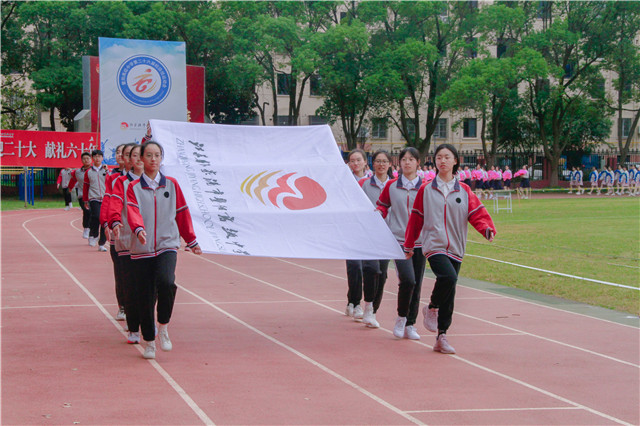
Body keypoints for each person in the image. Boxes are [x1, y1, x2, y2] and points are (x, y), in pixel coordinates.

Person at [404, 144, 496, 354]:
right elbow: (416, 219)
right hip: (434, 244)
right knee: (448, 278)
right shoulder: (426, 189)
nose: (442, 161)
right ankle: (432, 307)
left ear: (455, 161)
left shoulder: (463, 190)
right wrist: (409, 245)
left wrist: (487, 229)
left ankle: (442, 336)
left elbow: (476, 214)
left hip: (456, 245)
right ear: (434, 162)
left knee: (451, 290)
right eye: (439, 157)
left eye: (447, 157)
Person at [123, 141, 202, 360]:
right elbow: (132, 211)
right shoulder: (133, 188)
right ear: (141, 159)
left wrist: (191, 240)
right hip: (142, 249)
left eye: (157, 155)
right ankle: (149, 341)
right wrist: (138, 229)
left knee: (167, 282)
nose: (153, 159)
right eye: (148, 155)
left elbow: (182, 213)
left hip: (167, 244)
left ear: (161, 158)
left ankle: (163, 326)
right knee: (145, 296)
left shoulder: (172, 185)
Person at [376, 147, 424, 341]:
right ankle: (401, 317)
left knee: (418, 284)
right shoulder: (391, 186)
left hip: (420, 241)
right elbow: (382, 204)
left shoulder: (426, 187)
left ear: (418, 163)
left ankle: (411, 324)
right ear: (399, 163)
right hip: (399, 240)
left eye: (411, 159)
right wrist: (380, 212)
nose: (407, 162)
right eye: (404, 159)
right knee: (408, 279)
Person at [110, 144, 144, 344]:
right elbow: (113, 205)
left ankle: (147, 320)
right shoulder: (120, 182)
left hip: (150, 242)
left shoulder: (159, 183)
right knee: (130, 284)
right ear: (128, 159)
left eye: (143, 154)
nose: (139, 158)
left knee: (151, 285)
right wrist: (113, 222)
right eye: (134, 155)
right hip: (126, 240)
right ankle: (133, 326)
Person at [357, 150, 393, 328]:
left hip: (387, 235)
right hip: (369, 234)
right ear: (372, 164)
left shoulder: (394, 185)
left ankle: (372, 310)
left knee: (383, 273)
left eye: (384, 161)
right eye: (378, 161)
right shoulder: (365, 184)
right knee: (372, 269)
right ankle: (368, 304)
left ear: (389, 164)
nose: (381, 164)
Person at [101, 144, 128, 321]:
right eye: (119, 152)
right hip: (118, 232)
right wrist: (106, 223)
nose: (121, 156)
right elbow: (108, 200)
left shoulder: (144, 179)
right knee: (121, 272)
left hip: (139, 235)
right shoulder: (113, 177)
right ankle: (124, 307)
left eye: (126, 153)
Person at [344, 148, 369, 320]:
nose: (356, 163)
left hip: (368, 229)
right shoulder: (345, 181)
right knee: (354, 266)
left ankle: (353, 301)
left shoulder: (371, 181)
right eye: (352, 160)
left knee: (366, 268)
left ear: (365, 162)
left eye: (359, 160)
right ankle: (355, 302)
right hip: (351, 228)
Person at [83, 149, 110, 250]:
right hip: (94, 198)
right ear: (92, 158)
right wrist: (85, 200)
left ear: (102, 158)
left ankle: (102, 244)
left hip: (106, 198)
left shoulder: (107, 170)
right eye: (95, 156)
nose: (97, 158)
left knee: (104, 220)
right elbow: (86, 187)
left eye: (99, 156)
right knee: (97, 216)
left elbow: (111, 182)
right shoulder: (88, 172)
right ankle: (93, 234)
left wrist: (107, 171)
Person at [68, 152, 93, 238]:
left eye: (88, 158)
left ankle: (93, 230)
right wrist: (70, 188)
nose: (86, 160)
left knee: (95, 214)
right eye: (84, 158)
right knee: (87, 212)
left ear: (91, 159)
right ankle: (86, 228)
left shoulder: (95, 171)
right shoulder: (77, 172)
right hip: (83, 195)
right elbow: (73, 180)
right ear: (81, 160)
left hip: (94, 196)